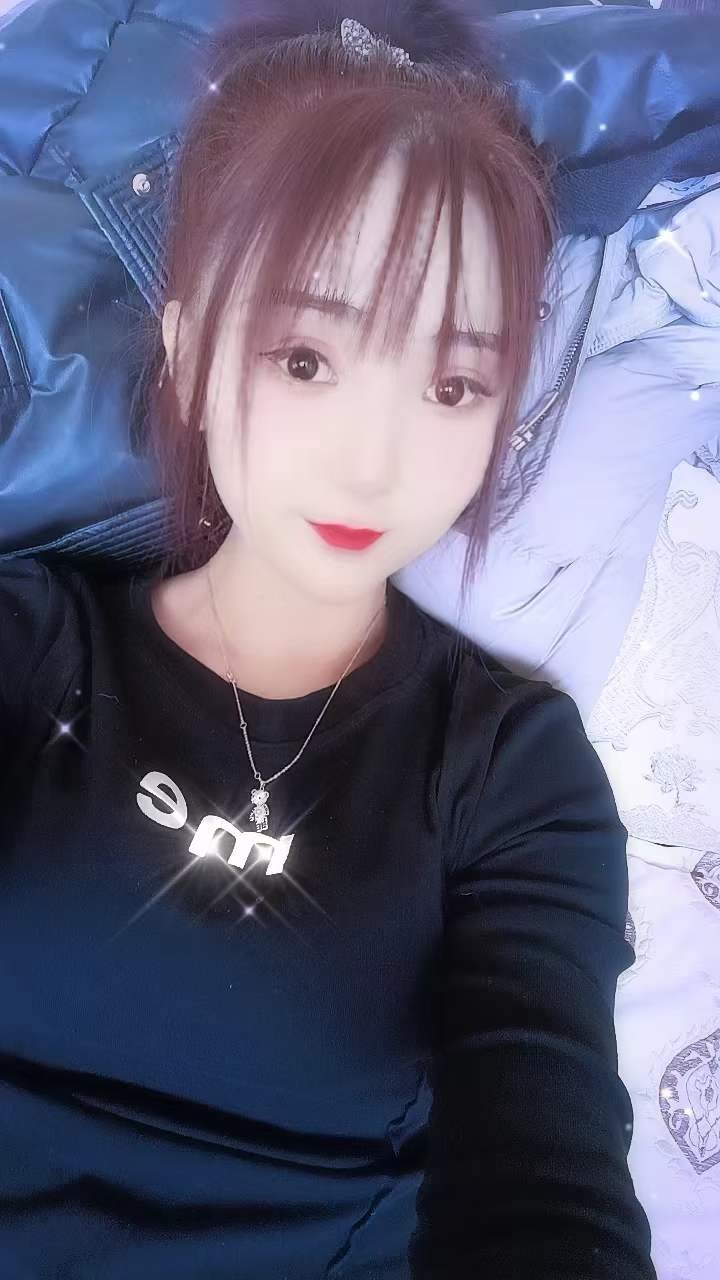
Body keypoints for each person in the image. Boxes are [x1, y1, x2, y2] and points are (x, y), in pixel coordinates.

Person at [0, 3, 657, 1277]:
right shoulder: (28, 650)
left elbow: (548, 1161)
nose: (374, 461)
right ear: (190, 351)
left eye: (453, 385)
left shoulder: (509, 772)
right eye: (306, 358)